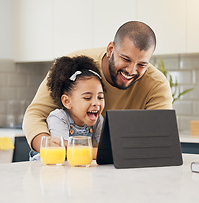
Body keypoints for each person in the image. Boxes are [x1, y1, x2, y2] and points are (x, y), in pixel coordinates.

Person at [23, 21, 173, 154]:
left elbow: (159, 140)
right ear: (110, 49)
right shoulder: (75, 67)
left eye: (142, 64)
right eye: (125, 59)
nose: (131, 71)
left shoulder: (156, 85)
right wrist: (46, 144)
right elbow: (35, 114)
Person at [29, 55, 105, 160]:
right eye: (87, 98)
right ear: (67, 101)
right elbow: (65, 151)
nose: (96, 103)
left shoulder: (98, 119)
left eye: (100, 97)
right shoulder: (58, 117)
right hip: (46, 169)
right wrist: (100, 153)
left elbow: (108, 147)